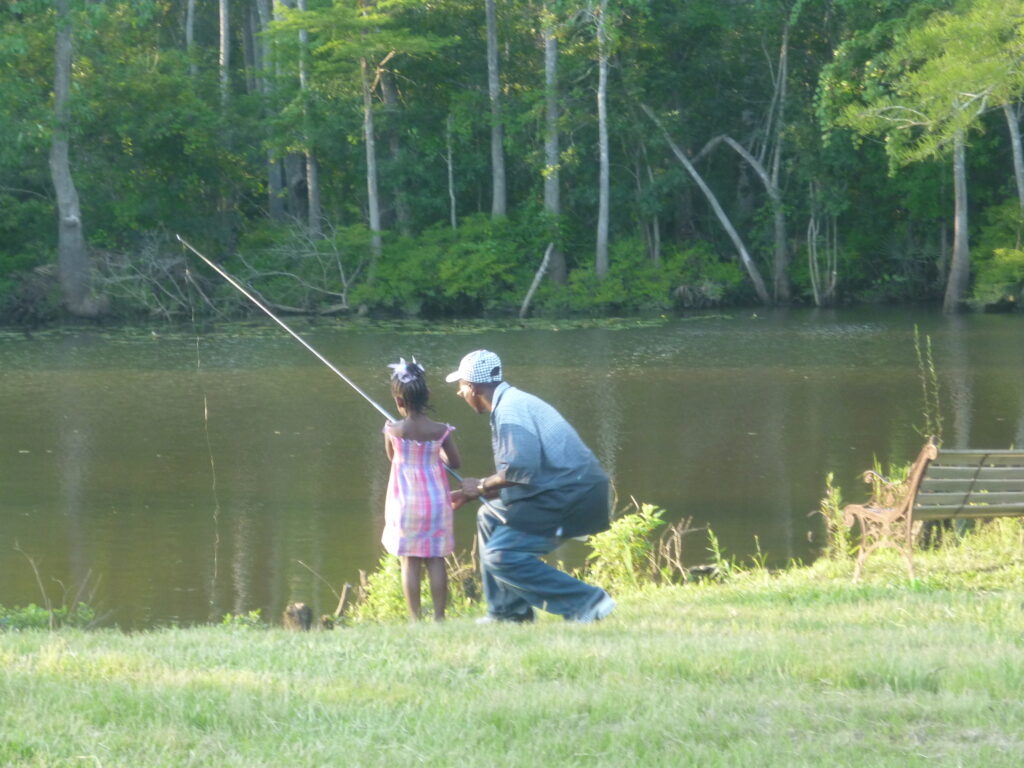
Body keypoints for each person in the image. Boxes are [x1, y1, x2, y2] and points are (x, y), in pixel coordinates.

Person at [447, 349, 615, 624]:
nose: (459, 393)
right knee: (489, 515)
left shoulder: (511, 411)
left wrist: (479, 486)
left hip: (573, 495)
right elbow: (529, 473)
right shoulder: (511, 402)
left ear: (473, 387)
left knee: (502, 556)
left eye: (461, 386)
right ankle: (509, 612)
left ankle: (587, 602)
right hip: (564, 489)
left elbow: (521, 469)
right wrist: (479, 493)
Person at [381, 358, 461, 621]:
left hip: (405, 503)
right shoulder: (441, 431)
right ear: (427, 396)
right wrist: (436, 457)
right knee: (436, 559)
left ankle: (415, 619)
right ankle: (439, 617)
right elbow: (455, 463)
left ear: (399, 402)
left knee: (410, 561)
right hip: (436, 501)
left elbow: (393, 458)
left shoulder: (393, 429)